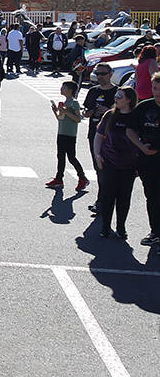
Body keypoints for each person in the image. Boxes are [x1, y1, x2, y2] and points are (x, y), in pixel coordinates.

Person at [93, 87, 138, 238]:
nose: (116, 99)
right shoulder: (109, 115)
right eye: (116, 96)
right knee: (107, 196)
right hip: (109, 163)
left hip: (129, 165)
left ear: (129, 100)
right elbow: (99, 135)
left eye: (120, 96)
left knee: (124, 198)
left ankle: (121, 227)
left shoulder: (136, 116)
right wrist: (98, 154)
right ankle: (105, 227)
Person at [125, 71, 160, 246]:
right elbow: (130, 130)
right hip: (147, 160)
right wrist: (141, 146)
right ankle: (155, 231)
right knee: (152, 196)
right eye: (155, 88)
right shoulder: (144, 107)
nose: (158, 93)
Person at [46, 80, 89, 191]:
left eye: (63, 87)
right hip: (61, 133)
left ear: (70, 90)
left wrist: (66, 112)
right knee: (60, 157)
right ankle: (59, 179)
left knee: (71, 157)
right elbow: (61, 119)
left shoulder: (73, 103)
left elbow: (78, 119)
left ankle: (82, 178)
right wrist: (56, 111)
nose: (61, 89)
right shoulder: (65, 103)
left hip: (70, 134)